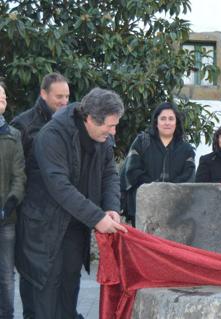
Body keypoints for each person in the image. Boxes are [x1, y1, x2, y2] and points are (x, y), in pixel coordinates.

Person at [15, 88, 127, 319]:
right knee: (45, 296)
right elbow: (59, 186)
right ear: (89, 118)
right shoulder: (53, 136)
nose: (113, 131)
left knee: (69, 288)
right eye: (110, 125)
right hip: (44, 227)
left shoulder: (103, 137)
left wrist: (111, 208)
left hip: (75, 225)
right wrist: (97, 218)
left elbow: (110, 174)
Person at [10, 72, 69, 319]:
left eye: (67, 96)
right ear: (43, 94)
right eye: (58, 96)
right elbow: (16, 172)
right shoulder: (22, 124)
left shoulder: (71, 123)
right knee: (33, 278)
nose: (64, 102)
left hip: (63, 215)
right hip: (32, 216)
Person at [123, 102, 196, 225]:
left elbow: (189, 178)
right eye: (163, 118)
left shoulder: (186, 149)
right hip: (144, 209)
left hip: (175, 211)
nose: (167, 122)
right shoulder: (142, 142)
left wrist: (167, 192)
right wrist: (154, 189)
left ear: (176, 123)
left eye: (171, 119)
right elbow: (132, 171)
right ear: (156, 122)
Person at [0, 82, 26, 319]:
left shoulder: (13, 135)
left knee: (6, 275)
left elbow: (20, 176)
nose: (2, 102)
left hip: (6, 219)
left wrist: (9, 205)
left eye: (4, 98)